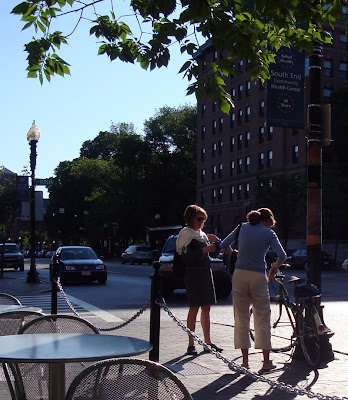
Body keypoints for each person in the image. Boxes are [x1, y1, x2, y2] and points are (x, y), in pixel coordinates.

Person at [221, 208, 286, 370]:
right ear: (268, 221)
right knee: (262, 317)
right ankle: (266, 362)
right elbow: (282, 256)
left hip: (239, 275)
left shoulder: (241, 227)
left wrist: (234, 254)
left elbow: (223, 245)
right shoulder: (269, 233)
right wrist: (274, 268)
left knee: (241, 317)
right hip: (258, 276)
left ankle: (244, 362)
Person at [176, 204, 223, 356]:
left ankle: (207, 342)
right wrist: (204, 250)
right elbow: (186, 258)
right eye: (199, 219)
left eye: (204, 219)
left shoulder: (201, 235)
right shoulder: (186, 234)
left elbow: (212, 254)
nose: (202, 222)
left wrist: (216, 245)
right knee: (194, 308)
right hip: (193, 274)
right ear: (190, 219)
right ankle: (191, 343)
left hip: (205, 273)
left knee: (206, 308)